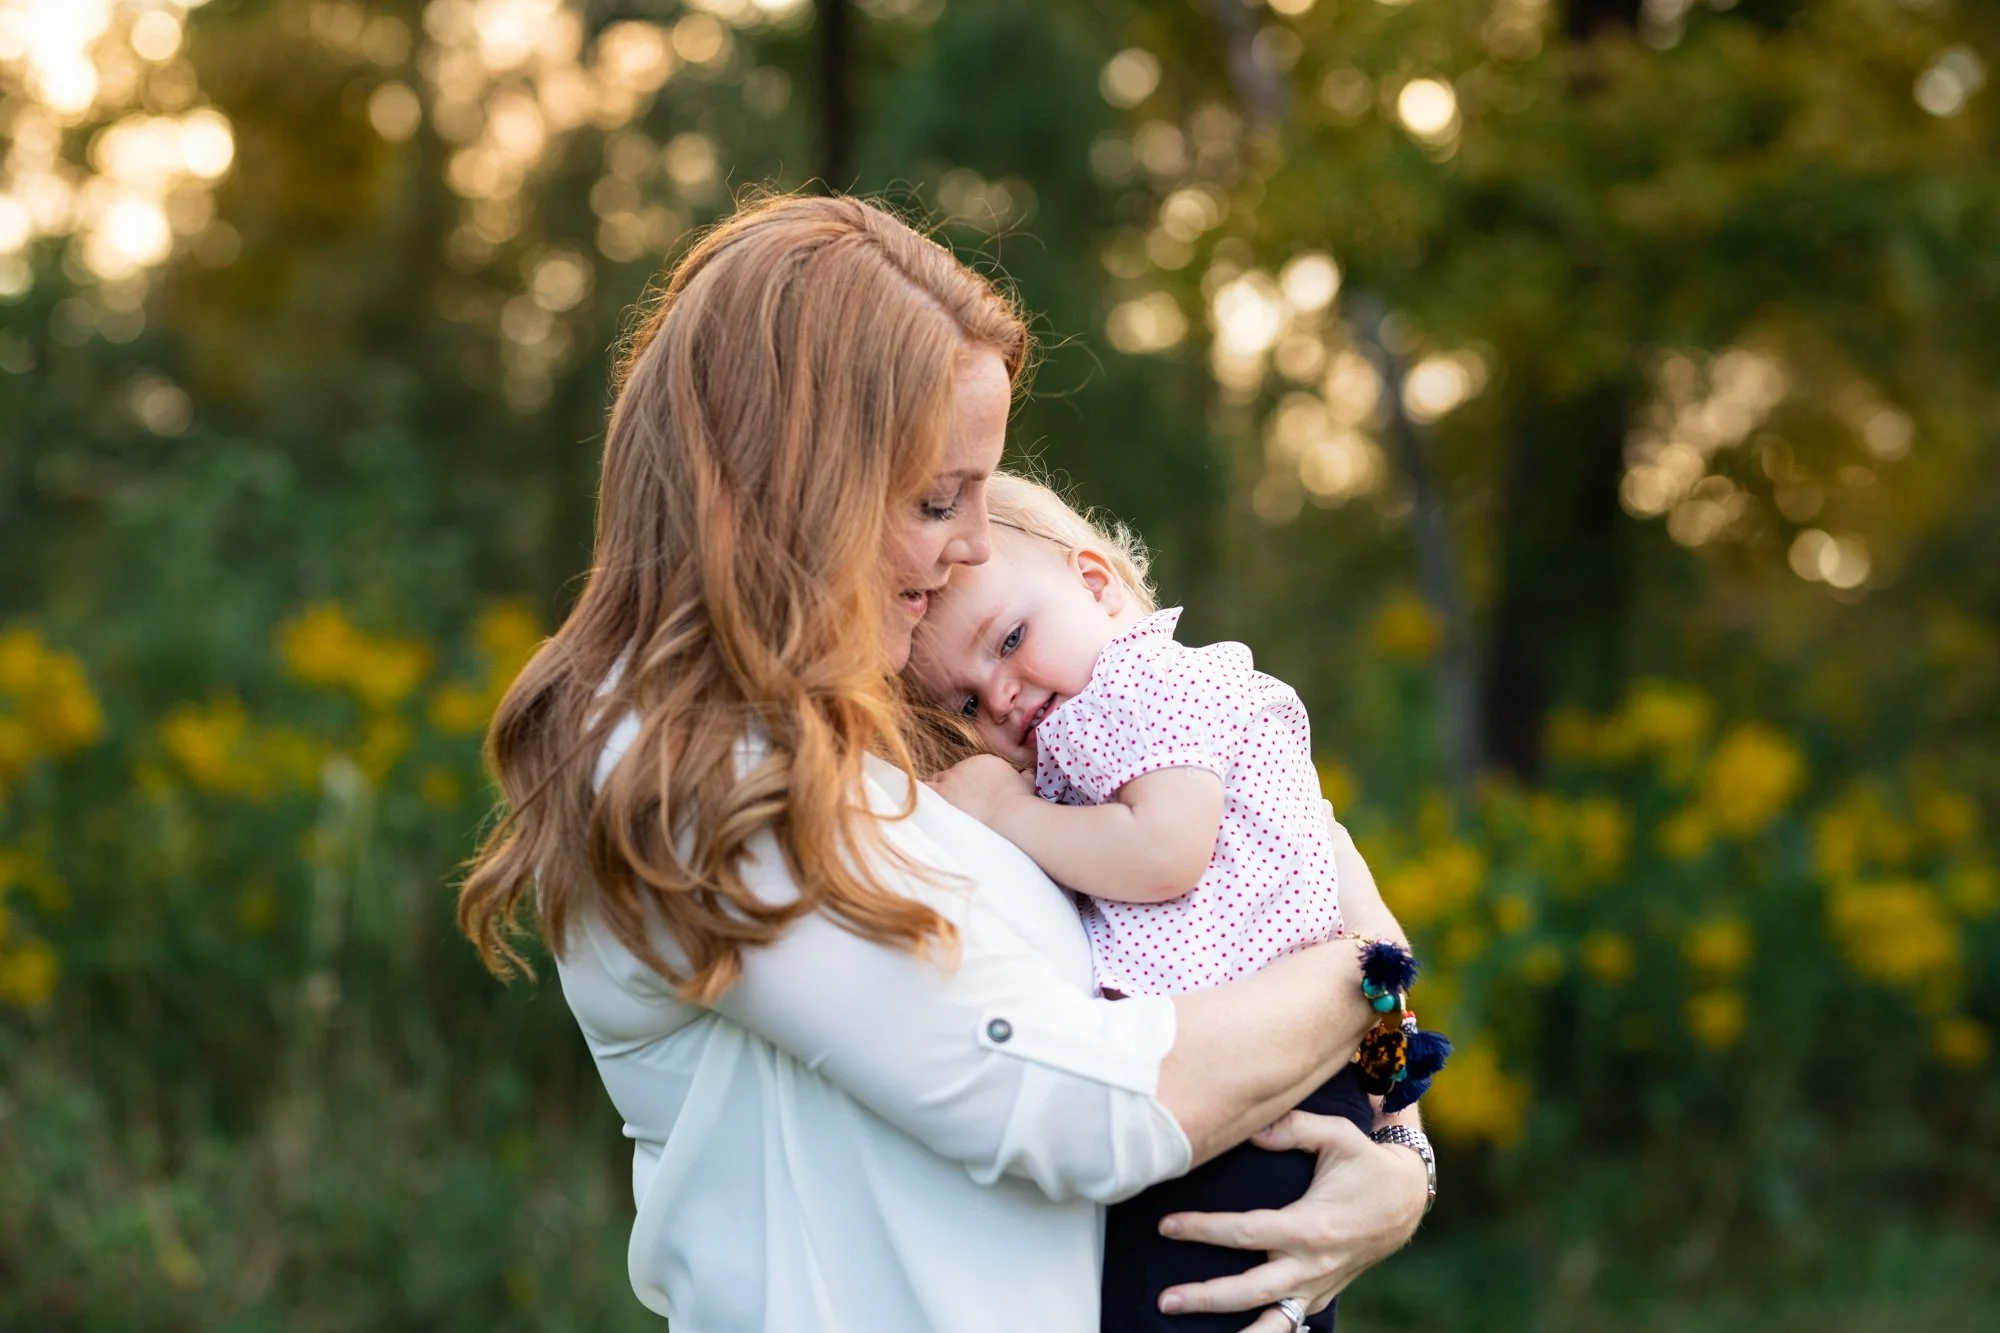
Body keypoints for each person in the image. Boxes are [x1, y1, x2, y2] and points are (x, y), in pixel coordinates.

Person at [457, 193, 1431, 1333]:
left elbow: (1303, 866)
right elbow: (1086, 1106)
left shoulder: (924, 735)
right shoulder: (685, 766)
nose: (973, 542)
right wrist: (1363, 982)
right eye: (934, 498)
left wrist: (1397, 1153)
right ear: (797, 483)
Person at [906, 474, 1433, 1332]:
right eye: (965, 701)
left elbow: (1165, 856)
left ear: (1095, 584)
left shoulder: (1143, 684)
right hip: (1248, 1096)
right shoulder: (1091, 746)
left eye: (1009, 638)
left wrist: (1006, 810)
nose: (998, 693)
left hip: (1252, 1110)